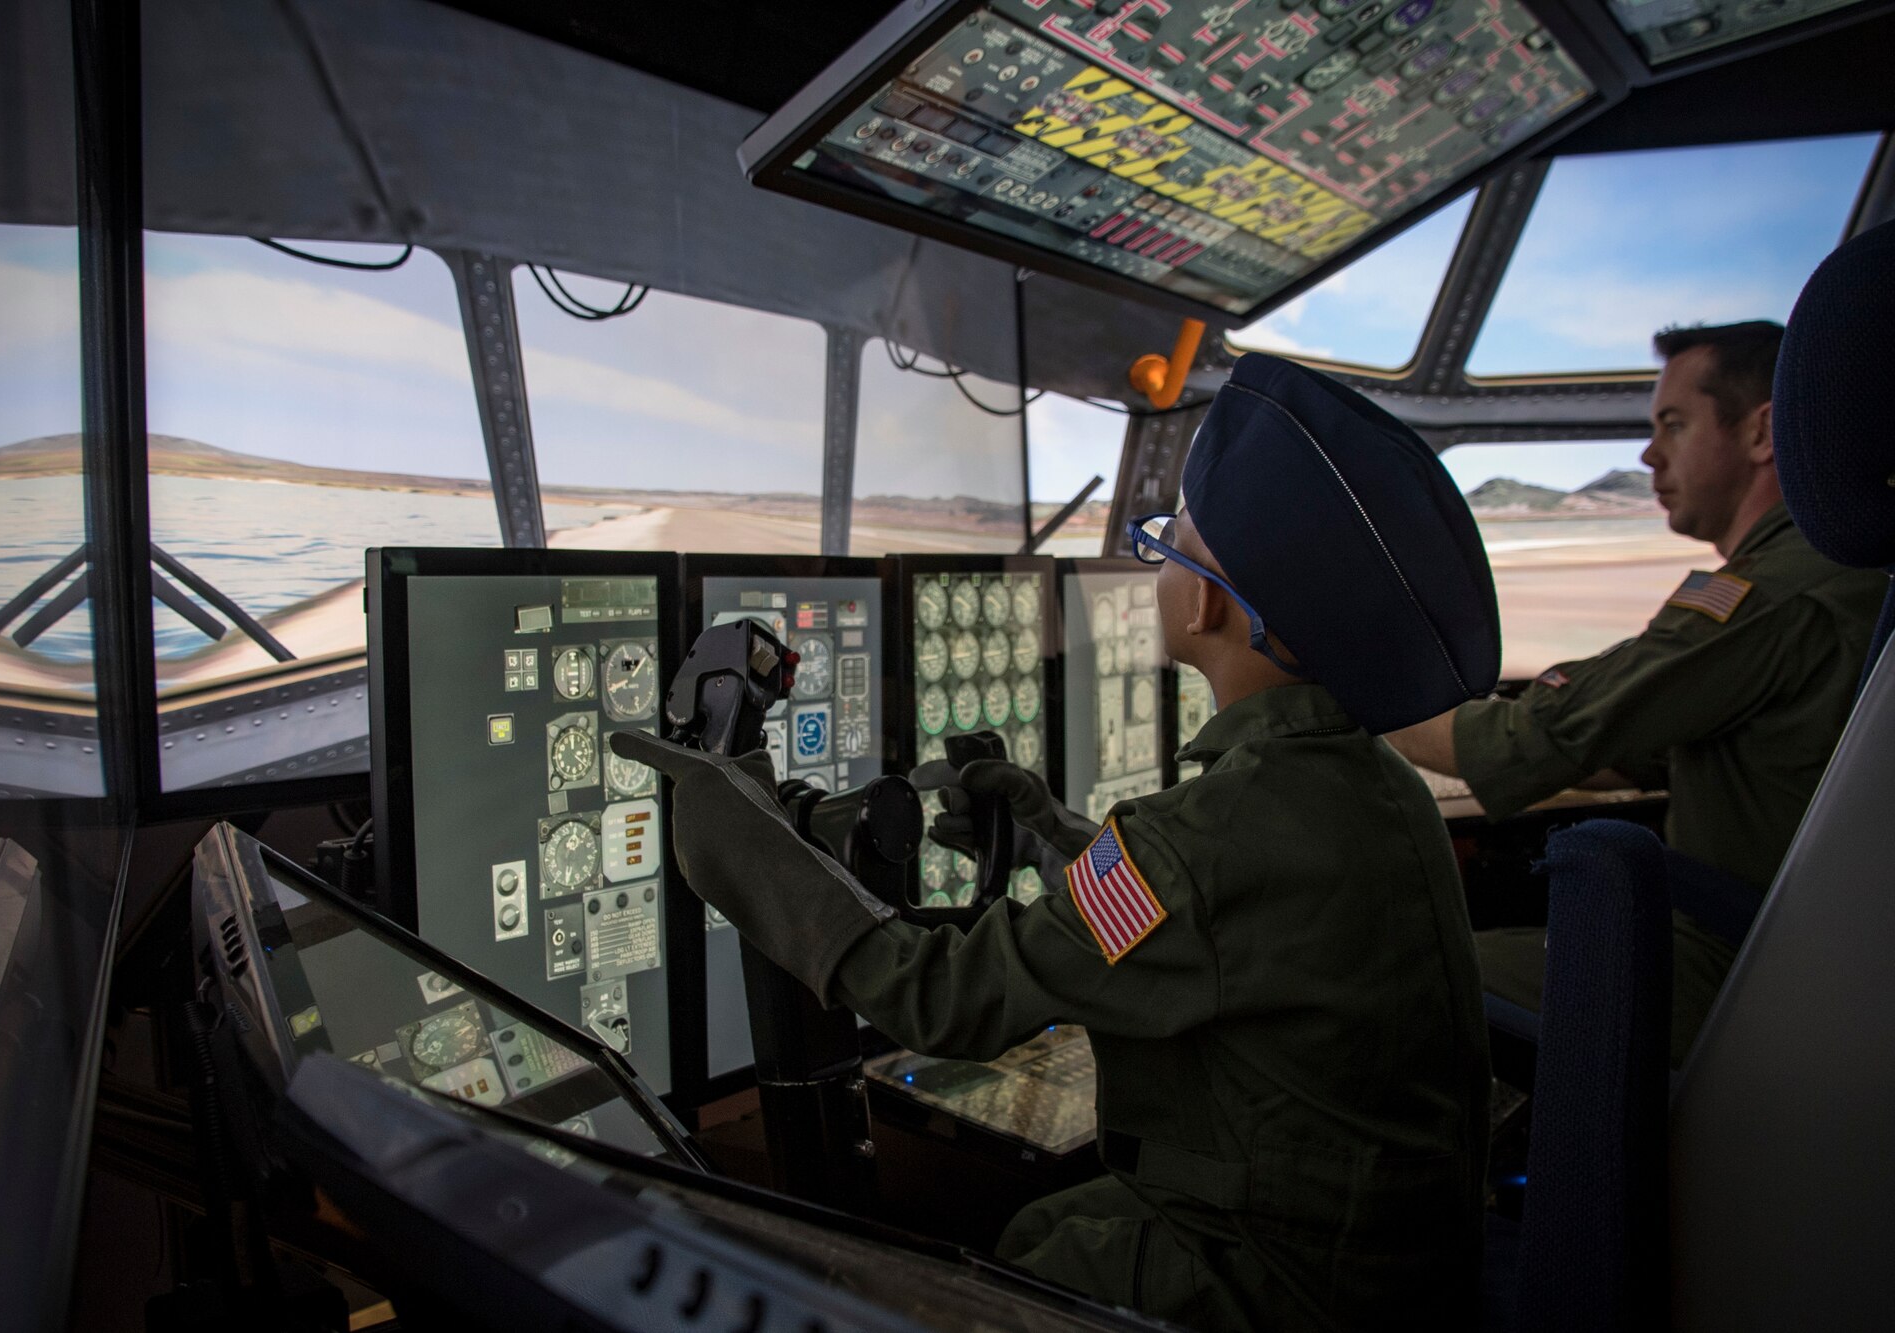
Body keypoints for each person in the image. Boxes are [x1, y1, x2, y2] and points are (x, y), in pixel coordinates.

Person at [616, 351, 1502, 1331]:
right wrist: (1047, 834)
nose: (1155, 562)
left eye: (1166, 540)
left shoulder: (1210, 832)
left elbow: (945, 1001)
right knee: (1044, 1221)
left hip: (1297, 1285)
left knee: (1005, 1272)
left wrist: (743, 843)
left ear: (1207, 599)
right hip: (1400, 1257)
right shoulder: (1369, 783)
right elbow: (1188, 913)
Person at [1385, 321, 1888, 1064]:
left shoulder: (1775, 593)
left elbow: (1525, 741)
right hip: (1811, 955)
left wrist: (1363, 693)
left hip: (1747, 964)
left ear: (1762, 432)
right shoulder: (1840, 575)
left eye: (1673, 425)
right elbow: (1648, 745)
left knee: (1393, 975)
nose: (1649, 454)